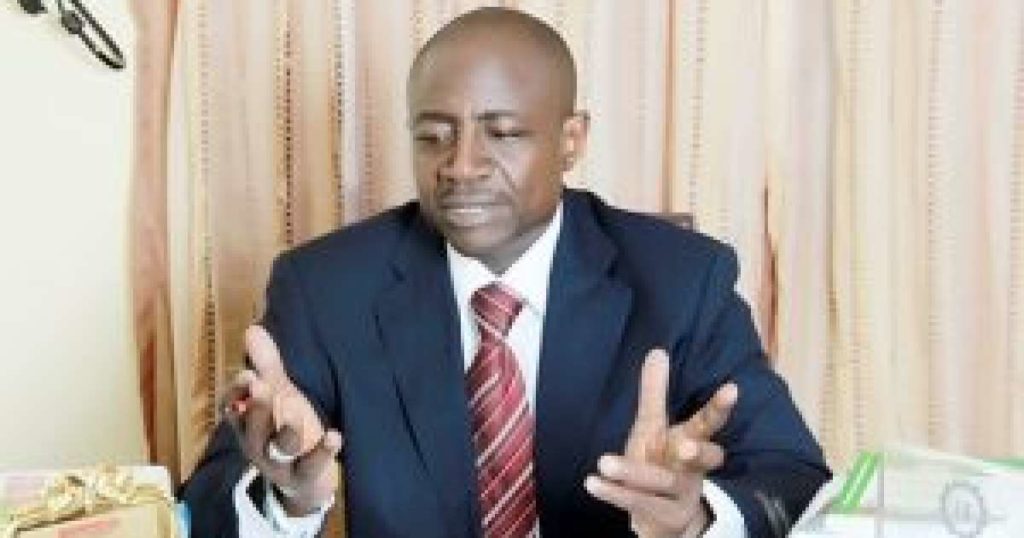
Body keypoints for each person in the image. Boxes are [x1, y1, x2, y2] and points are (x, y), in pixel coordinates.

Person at [180, 7, 829, 538]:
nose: (461, 166)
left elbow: (793, 479)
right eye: (433, 136)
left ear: (571, 140)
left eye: (504, 133)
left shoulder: (682, 280)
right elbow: (208, 502)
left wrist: (695, 519)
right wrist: (286, 499)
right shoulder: (326, 288)